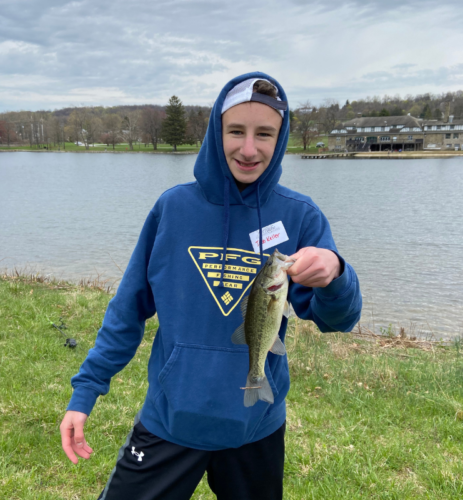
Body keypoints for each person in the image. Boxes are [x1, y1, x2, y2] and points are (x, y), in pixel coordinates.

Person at [60, 72, 362, 500]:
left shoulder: (300, 216)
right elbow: (127, 309)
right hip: (171, 418)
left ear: (282, 138)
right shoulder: (173, 208)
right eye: (236, 131)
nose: (249, 148)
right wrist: (85, 390)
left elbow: (339, 320)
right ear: (215, 131)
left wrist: (336, 275)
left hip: (254, 425)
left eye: (265, 134)